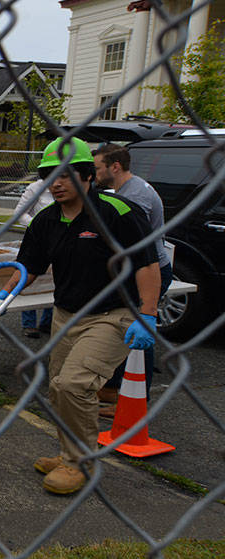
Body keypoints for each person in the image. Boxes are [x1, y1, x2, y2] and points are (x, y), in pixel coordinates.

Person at [0, 137, 160, 496]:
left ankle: (81, 463)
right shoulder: (46, 219)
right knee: (57, 388)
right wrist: (4, 294)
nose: (57, 183)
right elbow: (29, 267)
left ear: (87, 177)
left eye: (66, 175)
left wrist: (148, 313)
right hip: (65, 314)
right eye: (50, 175)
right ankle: (70, 453)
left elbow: (148, 264)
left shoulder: (118, 213)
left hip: (112, 314)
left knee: (75, 385)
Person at [93, 143, 173, 405]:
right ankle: (115, 388)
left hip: (149, 271)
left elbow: (131, 244)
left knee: (139, 329)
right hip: (135, 268)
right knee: (123, 326)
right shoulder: (126, 189)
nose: (94, 174)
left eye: (97, 168)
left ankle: (135, 399)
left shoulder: (135, 196)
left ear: (115, 167)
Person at [15, 178, 55, 339]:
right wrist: (37, 225)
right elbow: (20, 212)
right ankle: (29, 323)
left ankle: (48, 321)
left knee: (54, 279)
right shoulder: (35, 188)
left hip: (59, 238)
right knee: (31, 276)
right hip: (36, 237)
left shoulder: (72, 185)